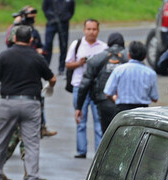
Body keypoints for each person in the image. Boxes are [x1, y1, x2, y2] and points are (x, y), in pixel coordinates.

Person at [0, 25, 56, 180]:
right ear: (31, 40)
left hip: (9, 102)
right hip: (31, 103)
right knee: (31, 144)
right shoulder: (36, 57)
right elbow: (52, 78)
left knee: (0, 141)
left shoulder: (4, 56)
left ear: (14, 38)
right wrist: (49, 86)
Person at [7, 7, 56, 138]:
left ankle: (41, 126)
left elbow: (41, 46)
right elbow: (9, 43)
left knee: (38, 97)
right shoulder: (16, 29)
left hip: (32, 67)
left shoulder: (34, 32)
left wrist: (39, 51)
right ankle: (18, 129)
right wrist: (16, 24)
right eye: (31, 16)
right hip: (18, 68)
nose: (33, 19)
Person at [65, 19, 107, 159]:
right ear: (84, 30)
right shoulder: (77, 45)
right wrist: (79, 63)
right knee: (80, 120)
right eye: (88, 29)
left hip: (96, 88)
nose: (91, 32)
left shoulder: (103, 47)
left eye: (94, 29)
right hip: (79, 86)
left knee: (98, 121)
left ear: (98, 31)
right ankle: (81, 150)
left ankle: (99, 152)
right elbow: (68, 64)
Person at [76, 32, 127, 134]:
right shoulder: (129, 58)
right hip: (126, 103)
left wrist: (79, 107)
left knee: (107, 134)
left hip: (104, 101)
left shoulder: (97, 59)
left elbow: (85, 84)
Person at [103, 41, 159, 113]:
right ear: (145, 57)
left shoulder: (119, 70)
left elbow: (108, 93)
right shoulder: (150, 73)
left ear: (129, 55)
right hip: (143, 111)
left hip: (122, 109)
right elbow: (155, 98)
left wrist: (115, 99)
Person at [42, 0, 75, 75]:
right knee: (48, 44)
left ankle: (61, 67)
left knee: (63, 45)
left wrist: (66, 17)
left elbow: (71, 10)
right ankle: (45, 66)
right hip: (51, 22)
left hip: (63, 23)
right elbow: (45, 8)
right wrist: (50, 17)